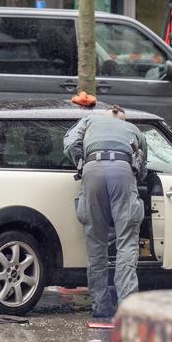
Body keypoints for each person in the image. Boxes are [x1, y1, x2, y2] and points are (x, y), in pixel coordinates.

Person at [63, 104, 147, 318]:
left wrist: (82, 163)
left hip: (92, 170)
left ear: (106, 114)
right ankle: (127, 307)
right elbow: (142, 165)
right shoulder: (133, 130)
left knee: (96, 244)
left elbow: (70, 143)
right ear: (123, 119)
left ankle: (101, 306)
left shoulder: (90, 120)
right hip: (122, 171)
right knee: (126, 242)